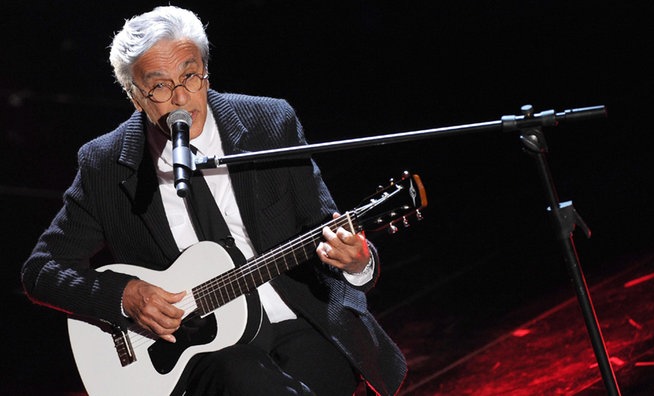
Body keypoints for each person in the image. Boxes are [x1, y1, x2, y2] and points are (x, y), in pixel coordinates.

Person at [21, 5, 406, 396]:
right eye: (159, 86)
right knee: (237, 376)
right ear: (135, 97)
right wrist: (124, 296)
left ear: (205, 71)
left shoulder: (269, 124)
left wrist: (358, 261)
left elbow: (328, 229)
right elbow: (41, 270)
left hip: (298, 318)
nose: (182, 97)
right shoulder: (104, 164)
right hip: (206, 349)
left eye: (190, 75)